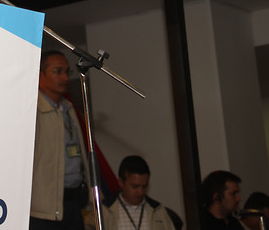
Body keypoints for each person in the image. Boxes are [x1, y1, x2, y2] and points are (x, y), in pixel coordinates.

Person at [30, 50, 92, 230]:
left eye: (67, 72)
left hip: (73, 202)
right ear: (40, 75)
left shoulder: (68, 108)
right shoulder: (33, 110)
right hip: (43, 209)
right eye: (58, 71)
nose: (65, 77)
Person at [102, 155, 176, 230]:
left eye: (144, 186)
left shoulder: (158, 211)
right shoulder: (103, 211)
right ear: (120, 182)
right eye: (135, 187)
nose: (140, 192)